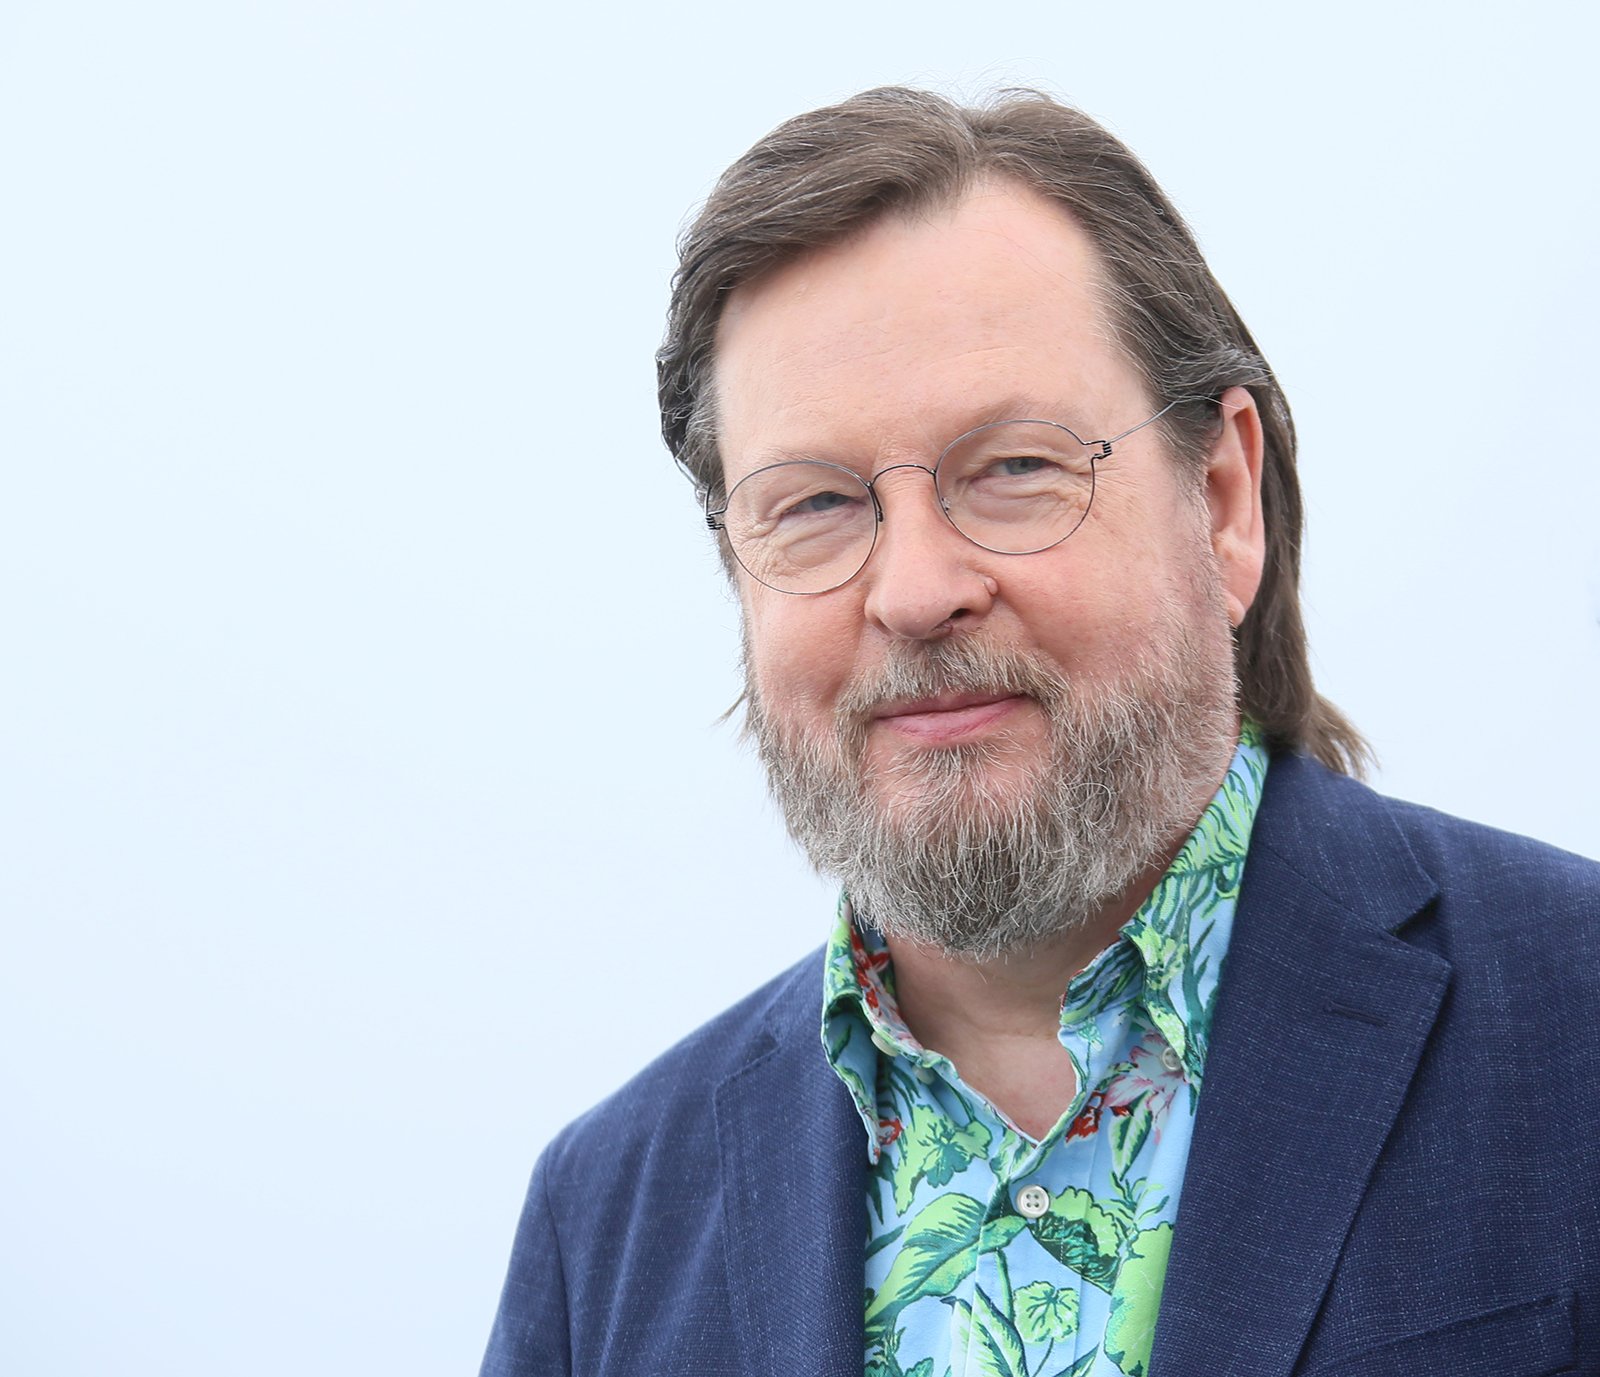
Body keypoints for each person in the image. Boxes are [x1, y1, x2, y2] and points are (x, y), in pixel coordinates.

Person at [480, 88, 1600, 1376]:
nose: (914, 592)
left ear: (1222, 500)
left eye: (1014, 468)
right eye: (816, 504)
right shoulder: (603, 1228)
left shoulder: (1573, 1033)